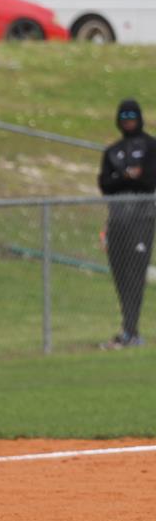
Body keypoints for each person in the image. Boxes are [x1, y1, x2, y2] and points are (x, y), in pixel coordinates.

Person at [97, 99, 156, 349]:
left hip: (142, 218)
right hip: (118, 220)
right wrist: (126, 175)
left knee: (135, 273)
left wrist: (124, 179)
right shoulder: (112, 151)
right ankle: (128, 329)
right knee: (120, 273)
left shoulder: (152, 146)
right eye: (124, 116)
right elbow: (105, 185)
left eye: (133, 115)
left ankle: (131, 331)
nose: (128, 119)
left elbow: (148, 181)